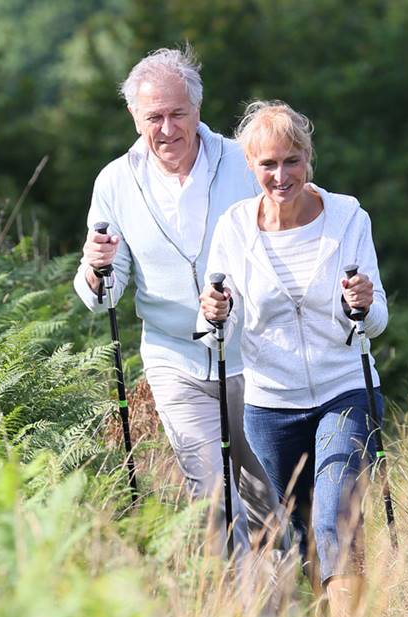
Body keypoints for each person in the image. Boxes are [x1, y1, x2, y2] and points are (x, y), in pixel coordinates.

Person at [73, 47, 276, 555]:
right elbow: (105, 295)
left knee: (268, 494)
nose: (166, 128)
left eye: (177, 114)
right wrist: (95, 266)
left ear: (198, 110)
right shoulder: (115, 182)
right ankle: (246, 610)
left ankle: (296, 591)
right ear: (134, 117)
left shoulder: (241, 161)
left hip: (253, 353)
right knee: (213, 500)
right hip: (173, 359)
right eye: (153, 117)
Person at [197, 100, 388, 617]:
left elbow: (375, 322)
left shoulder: (349, 216)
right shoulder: (234, 228)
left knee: (335, 521)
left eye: (292, 161)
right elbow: (217, 332)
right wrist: (213, 313)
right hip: (271, 404)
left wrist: (365, 303)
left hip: (345, 389)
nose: (282, 176)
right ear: (251, 167)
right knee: (301, 532)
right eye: (269, 164)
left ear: (308, 158)